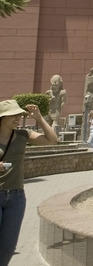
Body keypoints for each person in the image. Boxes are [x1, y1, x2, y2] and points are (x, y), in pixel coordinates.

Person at [0, 100, 58, 266]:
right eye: (13, 115)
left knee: (8, 247)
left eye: (19, 114)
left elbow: (52, 140)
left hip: (16, 198)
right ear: (2, 118)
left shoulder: (23, 135)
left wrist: (39, 118)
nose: (18, 117)